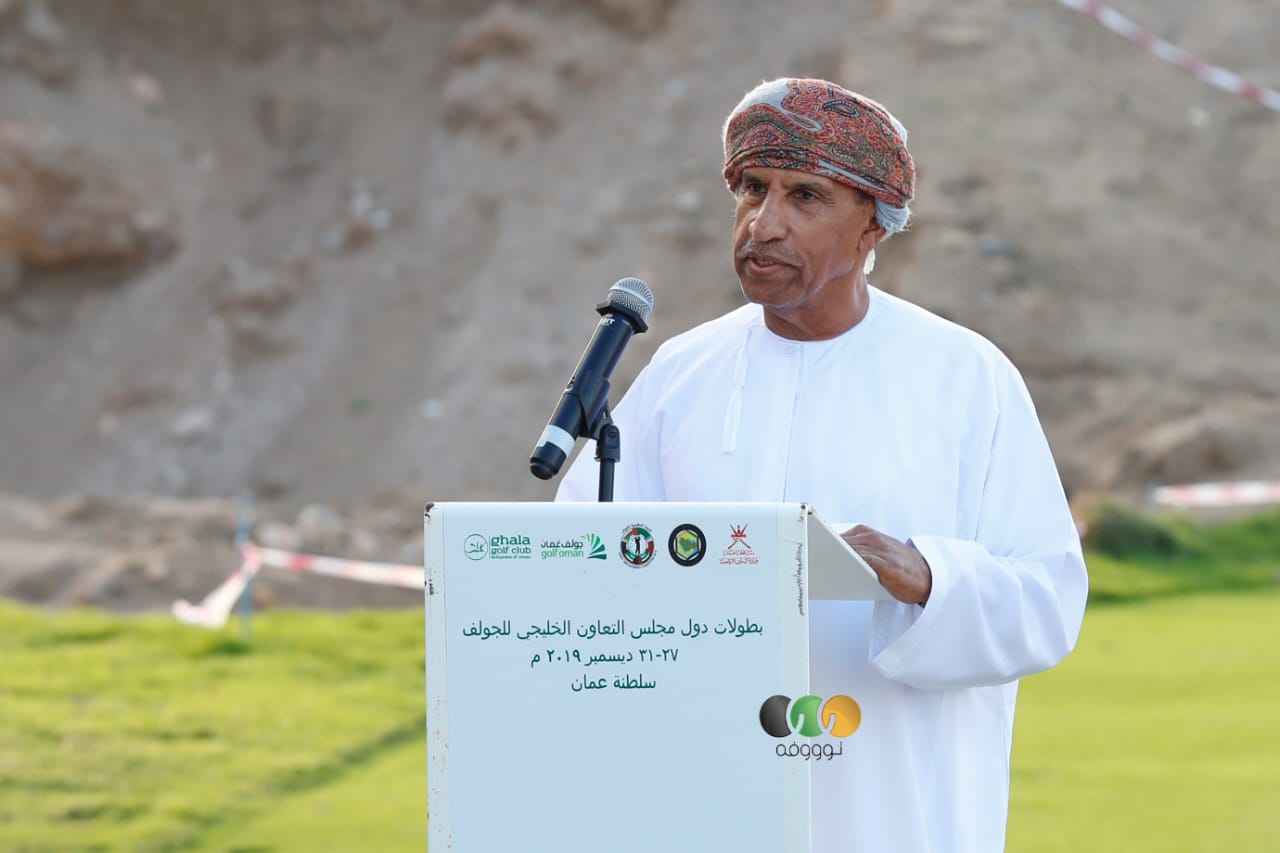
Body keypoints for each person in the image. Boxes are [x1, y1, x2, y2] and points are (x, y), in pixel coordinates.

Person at [556, 77, 1088, 853]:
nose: (763, 224)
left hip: (890, 808)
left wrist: (928, 576)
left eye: (805, 197)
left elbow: (1046, 600)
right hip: (708, 796)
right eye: (752, 189)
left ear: (873, 222)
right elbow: (581, 559)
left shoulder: (966, 377)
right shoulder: (680, 373)